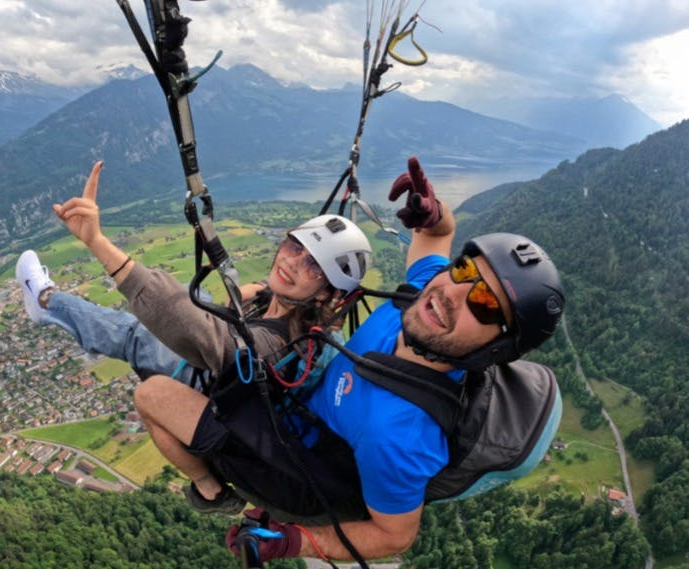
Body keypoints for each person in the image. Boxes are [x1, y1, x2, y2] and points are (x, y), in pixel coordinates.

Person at [133, 156, 566, 563]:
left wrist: (294, 541)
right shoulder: (417, 301)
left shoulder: (398, 433)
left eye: (486, 304)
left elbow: (395, 535)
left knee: (153, 394)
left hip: (300, 468)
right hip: (302, 413)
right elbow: (435, 237)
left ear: (497, 349)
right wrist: (434, 215)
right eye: (465, 271)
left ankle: (213, 494)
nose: (452, 294)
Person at [16, 160, 373, 511]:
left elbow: (195, 327)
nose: (293, 261)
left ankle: (47, 302)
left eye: (314, 265)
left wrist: (98, 243)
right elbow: (241, 311)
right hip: (242, 398)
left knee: (136, 338)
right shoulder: (296, 315)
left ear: (328, 294)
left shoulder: (279, 346)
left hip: (227, 415)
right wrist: (255, 295)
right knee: (198, 301)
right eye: (296, 246)